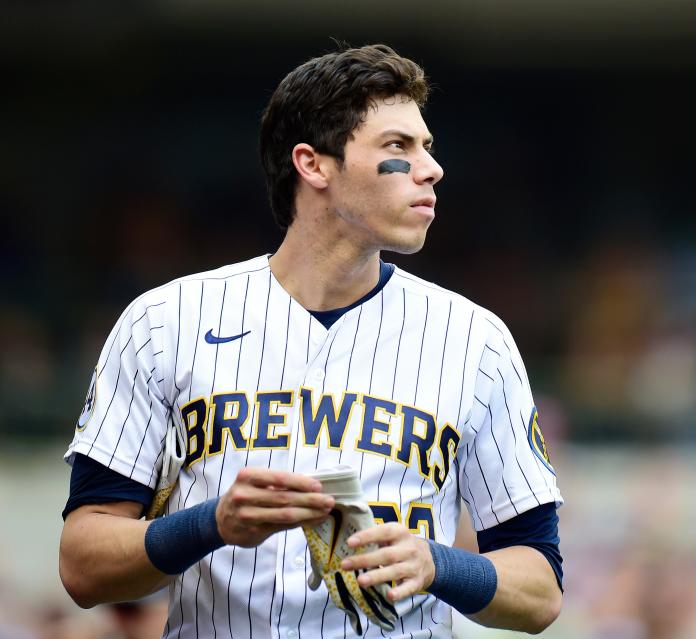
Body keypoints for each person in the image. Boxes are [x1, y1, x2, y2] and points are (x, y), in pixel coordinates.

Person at [59, 44, 564, 638]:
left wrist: (438, 564)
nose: (431, 168)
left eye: (427, 146)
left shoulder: (476, 341)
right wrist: (210, 525)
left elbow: (541, 591)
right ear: (314, 164)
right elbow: (82, 563)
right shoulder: (165, 321)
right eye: (398, 147)